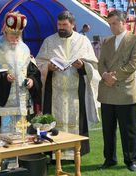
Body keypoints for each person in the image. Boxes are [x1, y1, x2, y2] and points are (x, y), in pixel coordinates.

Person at [36, 11, 99, 160]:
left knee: (76, 121)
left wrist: (82, 65)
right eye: (59, 25)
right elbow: (38, 63)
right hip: (54, 92)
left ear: (73, 24)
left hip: (76, 93)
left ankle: (75, 153)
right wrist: (48, 68)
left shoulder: (83, 41)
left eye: (64, 25)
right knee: (53, 121)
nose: (61, 28)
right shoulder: (49, 41)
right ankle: (53, 153)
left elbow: (93, 66)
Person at [0, 11, 42, 134]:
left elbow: (33, 72)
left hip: (23, 102)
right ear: (5, 31)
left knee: (24, 136)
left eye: (18, 35)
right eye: (13, 35)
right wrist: (4, 79)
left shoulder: (25, 49)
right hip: (3, 104)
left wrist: (31, 81)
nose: (16, 39)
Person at [97, 10, 136, 171]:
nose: (112, 27)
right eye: (109, 24)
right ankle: (109, 159)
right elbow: (100, 62)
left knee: (128, 130)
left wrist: (113, 77)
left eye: (114, 23)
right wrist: (105, 75)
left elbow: (133, 64)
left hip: (125, 92)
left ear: (124, 22)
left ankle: (131, 160)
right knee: (108, 130)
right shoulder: (107, 42)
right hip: (107, 92)